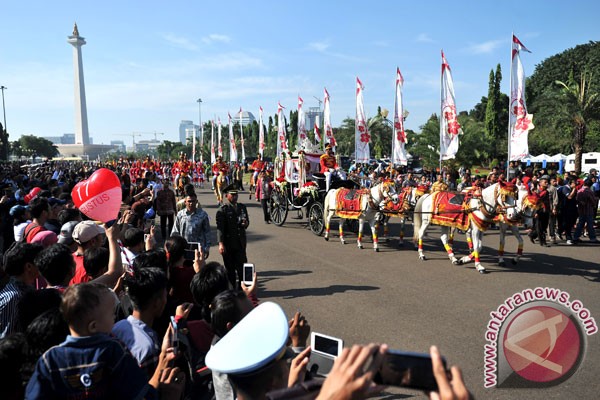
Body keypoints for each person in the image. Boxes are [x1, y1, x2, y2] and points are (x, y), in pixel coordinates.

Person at [25, 282, 185, 400]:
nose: (115, 318)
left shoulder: (49, 359)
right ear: (94, 326)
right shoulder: (112, 351)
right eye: (111, 315)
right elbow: (142, 393)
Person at [0, 242, 44, 338]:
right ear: (28, 266)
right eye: (38, 263)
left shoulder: (27, 289)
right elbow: (5, 338)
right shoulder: (13, 298)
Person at [216, 185, 249, 287]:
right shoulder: (223, 210)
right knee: (230, 270)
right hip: (228, 244)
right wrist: (221, 243)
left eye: (236, 195)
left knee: (242, 268)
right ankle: (232, 290)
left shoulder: (242, 207)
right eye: (233, 195)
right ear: (227, 196)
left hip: (240, 243)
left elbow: (247, 223)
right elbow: (220, 229)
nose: (235, 197)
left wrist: (245, 223)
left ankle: (242, 290)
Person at [171, 193, 211, 257]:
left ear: (196, 202)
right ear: (185, 202)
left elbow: (207, 232)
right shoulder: (180, 214)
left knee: (198, 266)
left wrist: (207, 248)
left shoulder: (203, 215)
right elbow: (175, 231)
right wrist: (174, 246)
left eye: (193, 201)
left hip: (198, 249)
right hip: (183, 248)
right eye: (189, 201)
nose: (191, 203)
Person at [568, 179, 599, 244]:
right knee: (590, 224)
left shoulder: (579, 191)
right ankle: (592, 238)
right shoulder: (589, 191)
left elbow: (577, 199)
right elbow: (593, 201)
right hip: (588, 210)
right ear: (590, 185)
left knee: (580, 224)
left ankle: (576, 237)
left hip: (581, 210)